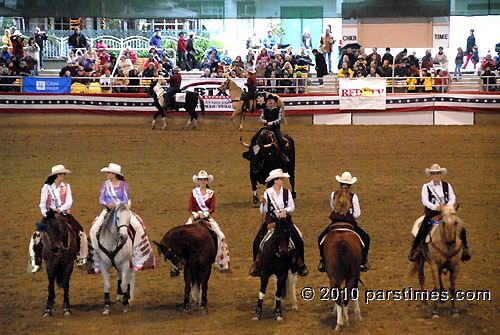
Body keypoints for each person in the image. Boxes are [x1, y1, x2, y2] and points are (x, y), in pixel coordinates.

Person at [88, 163, 153, 272]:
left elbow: (125, 199)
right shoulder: (105, 184)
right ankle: (96, 259)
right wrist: (107, 204)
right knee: (93, 230)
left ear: (114, 174)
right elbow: (101, 198)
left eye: (108, 172)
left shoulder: (123, 185)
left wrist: (116, 205)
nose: (107, 174)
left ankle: (139, 256)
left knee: (138, 226)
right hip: (108, 210)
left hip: (122, 210)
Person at [28, 165, 88, 273]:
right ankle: (35, 261)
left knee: (81, 232)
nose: (64, 176)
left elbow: (69, 201)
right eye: (62, 174)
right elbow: (42, 204)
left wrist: (60, 209)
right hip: (50, 216)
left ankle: (81, 257)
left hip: (64, 214)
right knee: (36, 235)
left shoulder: (67, 186)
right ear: (57, 175)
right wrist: (46, 214)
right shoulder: (46, 188)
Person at [249, 169, 308, 277]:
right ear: (275, 181)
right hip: (271, 221)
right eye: (280, 179)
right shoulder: (268, 193)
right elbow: (263, 211)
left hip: (285, 222)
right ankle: (256, 264)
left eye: (282, 178)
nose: (282, 180)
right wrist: (263, 203)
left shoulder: (287, 192)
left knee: (299, 239)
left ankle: (301, 264)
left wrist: (285, 211)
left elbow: (292, 206)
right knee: (257, 241)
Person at [409, 164, 470, 262]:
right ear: (431, 175)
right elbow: (425, 201)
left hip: (447, 213)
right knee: (423, 228)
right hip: (433, 213)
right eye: (434, 173)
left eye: (437, 173)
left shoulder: (447, 185)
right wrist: (436, 207)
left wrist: (447, 207)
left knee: (461, 228)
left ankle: (465, 249)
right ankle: (414, 250)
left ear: (440, 174)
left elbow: (452, 197)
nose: (436, 175)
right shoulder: (426, 187)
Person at [173, 170, 230, 276]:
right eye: (201, 180)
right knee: (183, 234)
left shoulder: (211, 193)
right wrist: (195, 214)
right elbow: (191, 207)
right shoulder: (194, 192)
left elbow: (212, 208)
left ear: (207, 181)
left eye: (204, 180)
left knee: (221, 235)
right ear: (198, 181)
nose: (202, 181)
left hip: (207, 217)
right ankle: (179, 262)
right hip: (195, 216)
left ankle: (220, 261)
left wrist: (206, 214)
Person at [317, 172, 370, 272]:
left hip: (335, 223)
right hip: (349, 223)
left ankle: (323, 261)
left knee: (320, 239)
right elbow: (357, 214)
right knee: (366, 238)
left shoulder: (334, 195)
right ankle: (363, 262)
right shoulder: (353, 196)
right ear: (350, 185)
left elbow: (332, 208)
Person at [249, 95, 288, 163]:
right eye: (269, 100)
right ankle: (252, 152)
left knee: (280, 140)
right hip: (266, 128)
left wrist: (272, 123)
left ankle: (284, 154)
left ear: (274, 101)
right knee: (254, 138)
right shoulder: (264, 109)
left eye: (272, 100)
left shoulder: (279, 109)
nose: (270, 101)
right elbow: (260, 118)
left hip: (275, 128)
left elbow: (280, 119)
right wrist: (262, 120)